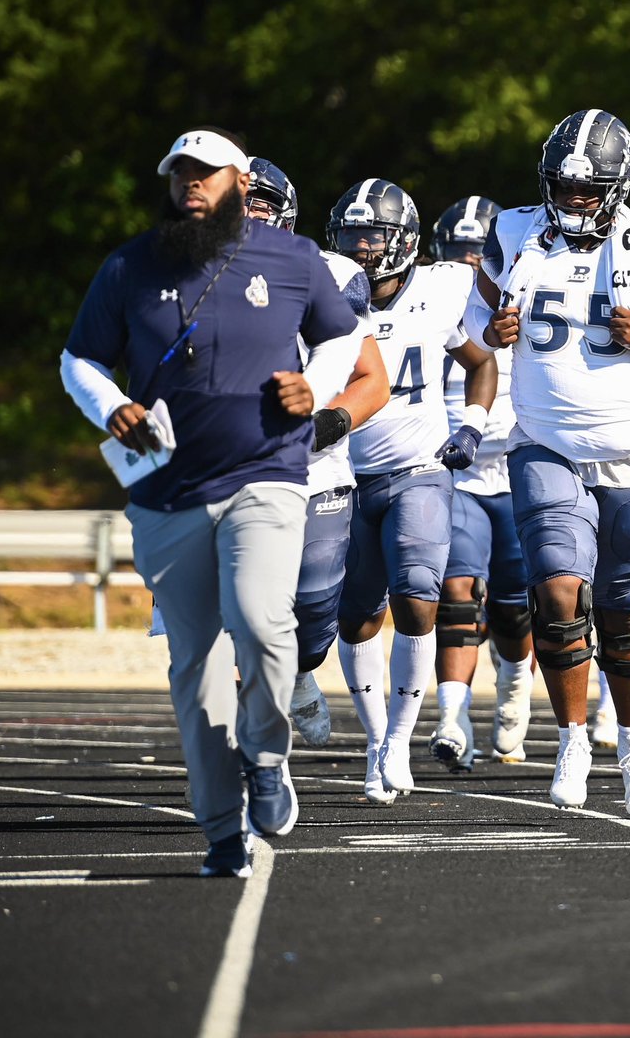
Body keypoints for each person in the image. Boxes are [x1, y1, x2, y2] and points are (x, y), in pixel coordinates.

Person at [60, 127, 362, 877]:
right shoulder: (130, 264)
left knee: (262, 621)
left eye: (204, 173)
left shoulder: (293, 259)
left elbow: (343, 339)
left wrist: (315, 389)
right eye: (178, 174)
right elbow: (79, 359)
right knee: (196, 674)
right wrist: (110, 407)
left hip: (266, 474)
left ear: (239, 180)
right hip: (165, 494)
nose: (189, 184)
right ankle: (223, 833)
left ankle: (266, 756)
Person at [469, 108, 630, 819]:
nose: (575, 199)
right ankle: (573, 737)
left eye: (590, 189)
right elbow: (474, 322)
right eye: (564, 185)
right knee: (557, 594)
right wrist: (489, 329)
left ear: (619, 187)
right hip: (545, 443)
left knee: (623, 610)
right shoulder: (514, 230)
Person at [148, 157, 391, 749]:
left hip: (311, 473)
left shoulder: (323, 273)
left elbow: (371, 381)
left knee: (309, 619)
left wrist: (326, 425)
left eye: (255, 206)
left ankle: (301, 672)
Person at [329, 178, 498, 804]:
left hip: (418, 469)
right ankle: (375, 740)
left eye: (374, 234)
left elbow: (481, 358)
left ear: (404, 240)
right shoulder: (322, 293)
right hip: (342, 476)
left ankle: (399, 738)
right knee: (355, 618)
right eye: (351, 235)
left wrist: (473, 429)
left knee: (417, 595)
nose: (363, 246)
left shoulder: (442, 286)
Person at [424, 197, 536, 769]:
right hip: (457, 470)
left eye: (479, 251)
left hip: (518, 467)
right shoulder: (430, 302)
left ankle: (514, 691)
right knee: (457, 594)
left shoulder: (531, 287)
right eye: (459, 251)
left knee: (518, 611)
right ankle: (452, 719)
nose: (470, 262)